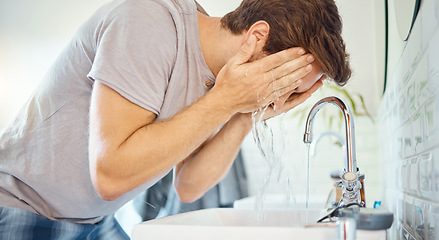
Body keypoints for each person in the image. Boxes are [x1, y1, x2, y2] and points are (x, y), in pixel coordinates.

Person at [0, 0, 351, 238]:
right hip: (23, 207)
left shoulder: (220, 79)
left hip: (92, 220)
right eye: (284, 82)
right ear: (257, 37)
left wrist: (246, 116)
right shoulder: (149, 22)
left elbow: (189, 186)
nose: (281, 95)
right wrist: (226, 99)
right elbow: (110, 175)